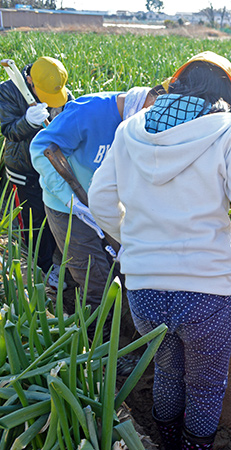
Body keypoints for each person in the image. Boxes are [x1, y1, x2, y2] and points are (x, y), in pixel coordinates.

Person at [87, 51, 231, 450]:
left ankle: (166, 444)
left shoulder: (130, 130)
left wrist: (136, 240)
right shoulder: (228, 131)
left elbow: (100, 200)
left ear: (178, 85)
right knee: (205, 387)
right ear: (226, 94)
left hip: (144, 290)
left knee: (168, 374)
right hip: (208, 293)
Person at [29, 85, 161, 336]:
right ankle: (98, 350)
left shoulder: (141, 127)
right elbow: (41, 148)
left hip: (107, 206)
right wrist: (72, 201)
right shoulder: (89, 111)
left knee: (126, 270)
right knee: (96, 280)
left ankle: (127, 331)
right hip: (67, 207)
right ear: (145, 103)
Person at [0, 56, 74, 290]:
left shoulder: (58, 88)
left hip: (52, 169)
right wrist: (28, 122)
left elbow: (70, 119)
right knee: (33, 225)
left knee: (56, 217)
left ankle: (56, 265)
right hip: (25, 172)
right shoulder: (8, 91)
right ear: (29, 80)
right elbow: (9, 131)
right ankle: (40, 273)